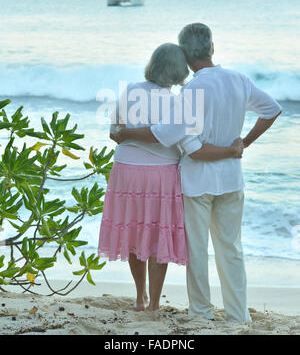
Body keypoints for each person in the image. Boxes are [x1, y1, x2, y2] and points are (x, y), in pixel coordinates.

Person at [114, 24, 282, 322]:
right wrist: (243, 143)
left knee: (198, 252)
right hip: (232, 179)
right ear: (212, 48)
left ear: (184, 55)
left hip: (198, 182)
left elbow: (168, 136)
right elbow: (271, 110)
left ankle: (202, 313)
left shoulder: (191, 91)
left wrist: (125, 132)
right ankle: (238, 315)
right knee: (231, 248)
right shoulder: (239, 79)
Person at [99, 42, 244, 312]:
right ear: (179, 70)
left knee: (134, 232)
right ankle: (154, 303)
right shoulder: (177, 101)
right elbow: (166, 137)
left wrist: (129, 135)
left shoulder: (130, 90)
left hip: (126, 172)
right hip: (160, 175)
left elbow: (114, 132)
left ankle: (140, 297)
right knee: (156, 236)